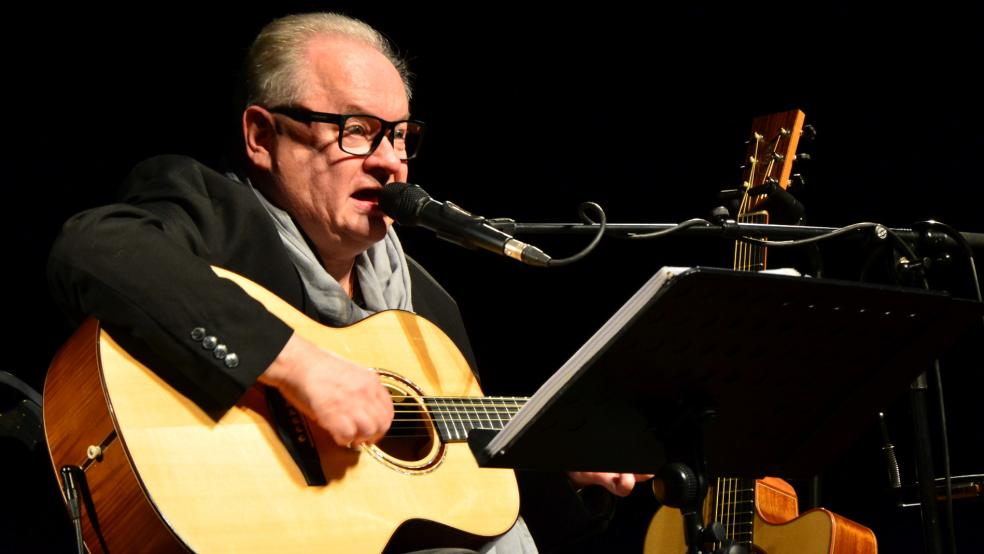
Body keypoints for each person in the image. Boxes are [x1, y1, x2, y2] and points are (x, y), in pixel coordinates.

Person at [47, 12, 647, 552]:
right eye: (356, 129)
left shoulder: (428, 310)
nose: (389, 160)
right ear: (262, 136)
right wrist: (297, 364)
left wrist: (561, 459)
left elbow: (466, 499)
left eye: (401, 136)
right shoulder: (211, 211)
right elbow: (95, 248)